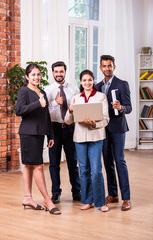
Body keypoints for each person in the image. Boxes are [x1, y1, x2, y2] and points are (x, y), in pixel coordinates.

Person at [15, 63, 61, 215]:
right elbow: (19, 111)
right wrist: (37, 103)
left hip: (39, 133)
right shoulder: (24, 91)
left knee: (29, 165)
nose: (36, 77)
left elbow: (45, 115)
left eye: (38, 74)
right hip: (28, 134)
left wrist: (51, 135)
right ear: (27, 77)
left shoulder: (42, 91)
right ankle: (47, 200)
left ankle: (27, 197)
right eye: (33, 75)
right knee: (38, 166)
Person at [65, 69, 110, 212]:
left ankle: (101, 202)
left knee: (96, 171)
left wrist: (94, 123)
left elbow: (106, 119)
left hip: (96, 137)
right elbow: (67, 121)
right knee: (83, 170)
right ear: (81, 82)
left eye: (90, 80)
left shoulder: (101, 97)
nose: (87, 82)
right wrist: (70, 110)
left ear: (93, 80)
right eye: (84, 80)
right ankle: (87, 200)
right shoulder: (76, 97)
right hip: (79, 138)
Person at [96, 55, 132, 211]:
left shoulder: (122, 84)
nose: (107, 68)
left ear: (114, 67)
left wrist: (121, 107)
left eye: (109, 66)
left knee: (120, 161)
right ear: (100, 68)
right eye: (104, 66)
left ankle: (126, 198)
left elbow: (129, 107)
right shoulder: (97, 86)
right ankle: (113, 193)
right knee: (107, 162)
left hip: (118, 129)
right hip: (102, 130)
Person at [45, 61, 81, 203]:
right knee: (54, 163)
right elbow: (43, 112)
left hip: (70, 129)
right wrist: (55, 103)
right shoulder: (48, 91)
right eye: (56, 71)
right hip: (54, 129)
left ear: (65, 72)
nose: (59, 74)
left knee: (73, 162)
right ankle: (55, 192)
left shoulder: (74, 89)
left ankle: (76, 192)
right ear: (52, 73)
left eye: (61, 71)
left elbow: (78, 108)